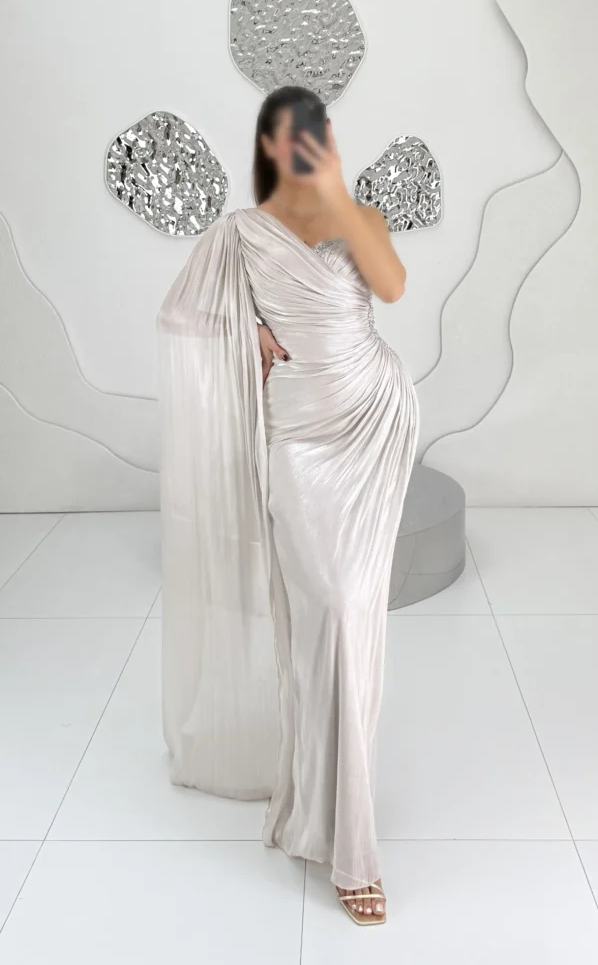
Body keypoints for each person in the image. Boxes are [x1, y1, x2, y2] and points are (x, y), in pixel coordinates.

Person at [156, 85, 419, 926]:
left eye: (316, 130)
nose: (303, 143)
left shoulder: (357, 215)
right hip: (300, 438)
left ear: (328, 137)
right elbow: (184, 314)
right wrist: (249, 333)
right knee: (326, 615)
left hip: (372, 423)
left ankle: (347, 836)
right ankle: (320, 806)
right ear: (267, 145)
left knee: (353, 621)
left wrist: (338, 192)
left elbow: (392, 286)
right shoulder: (241, 234)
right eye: (289, 133)